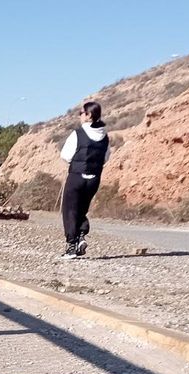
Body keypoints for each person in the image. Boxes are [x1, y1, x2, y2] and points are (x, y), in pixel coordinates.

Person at [58, 101, 110, 260]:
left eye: (81, 113)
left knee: (70, 210)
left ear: (88, 115)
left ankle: (72, 246)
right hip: (94, 178)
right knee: (82, 209)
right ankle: (81, 236)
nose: (79, 115)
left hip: (77, 176)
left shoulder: (78, 134)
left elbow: (65, 155)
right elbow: (106, 158)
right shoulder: (104, 136)